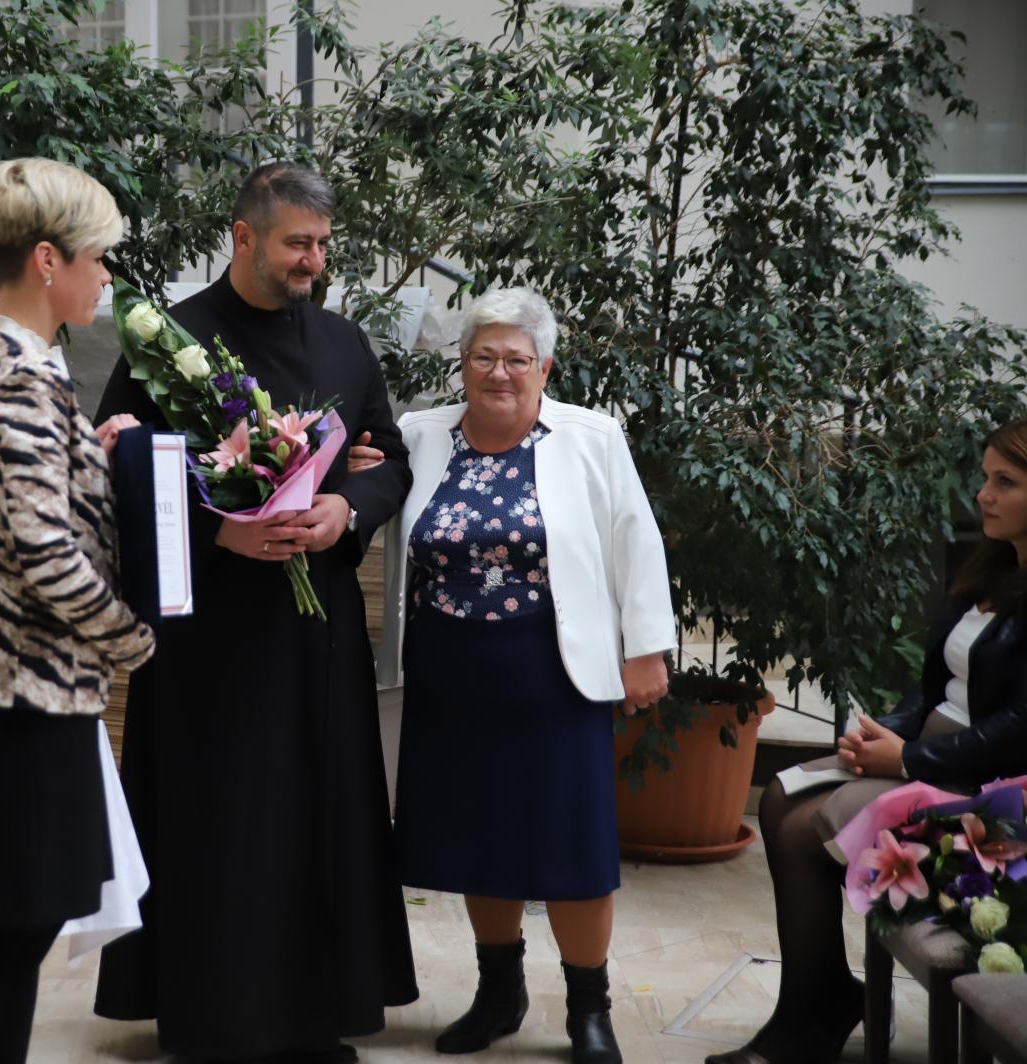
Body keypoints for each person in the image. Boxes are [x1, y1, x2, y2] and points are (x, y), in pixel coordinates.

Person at [93, 162, 419, 1061]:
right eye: (296, 244)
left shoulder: (345, 344)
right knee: (224, 821)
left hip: (317, 633)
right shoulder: (171, 342)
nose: (314, 260)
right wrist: (220, 530)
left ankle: (315, 1014)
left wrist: (347, 507)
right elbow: (122, 473)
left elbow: (389, 456)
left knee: (317, 817)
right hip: (211, 636)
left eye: (322, 244)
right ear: (244, 238)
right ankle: (214, 1018)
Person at [368, 287, 675, 1063]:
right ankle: (498, 994)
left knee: (573, 846)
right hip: (450, 672)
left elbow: (634, 538)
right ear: (462, 363)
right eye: (484, 356)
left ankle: (589, 1010)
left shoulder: (589, 437)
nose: (498, 372)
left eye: (516, 358)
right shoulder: (421, 434)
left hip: (553, 673)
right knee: (480, 837)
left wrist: (646, 648)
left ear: (545, 366)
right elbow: (379, 498)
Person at [709, 419, 1027, 1064]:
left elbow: (1019, 728)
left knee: (804, 828)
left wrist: (907, 758)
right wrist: (887, 732)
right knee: (781, 795)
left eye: (1005, 482)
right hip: (935, 756)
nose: (983, 495)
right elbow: (935, 687)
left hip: (990, 793)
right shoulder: (992, 570)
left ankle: (812, 1015)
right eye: (985, 478)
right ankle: (820, 994)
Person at [0, 157, 156, 1063]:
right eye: (97, 257)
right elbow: (46, 555)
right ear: (46, 260)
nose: (106, 276)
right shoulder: (26, 376)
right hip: (27, 689)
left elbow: (18, 502)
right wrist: (135, 641)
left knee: (9, 930)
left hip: (4, 683)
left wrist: (89, 452)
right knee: (15, 928)